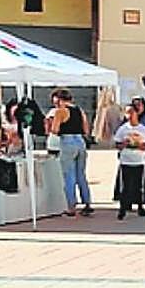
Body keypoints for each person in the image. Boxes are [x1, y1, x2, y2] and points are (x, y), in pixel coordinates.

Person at [47, 88, 94, 217]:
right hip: (80, 141)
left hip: (67, 141)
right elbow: (86, 129)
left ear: (59, 99)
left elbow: (55, 130)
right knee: (81, 174)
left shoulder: (60, 111)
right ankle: (87, 202)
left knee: (69, 175)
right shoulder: (79, 110)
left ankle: (71, 206)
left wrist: (51, 125)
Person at [113, 100, 145, 220]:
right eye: (127, 113)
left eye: (131, 112)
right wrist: (124, 144)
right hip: (126, 161)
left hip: (139, 161)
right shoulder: (122, 129)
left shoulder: (143, 129)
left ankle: (140, 207)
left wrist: (138, 145)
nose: (129, 115)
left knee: (139, 186)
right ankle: (123, 208)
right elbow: (117, 144)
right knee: (125, 186)